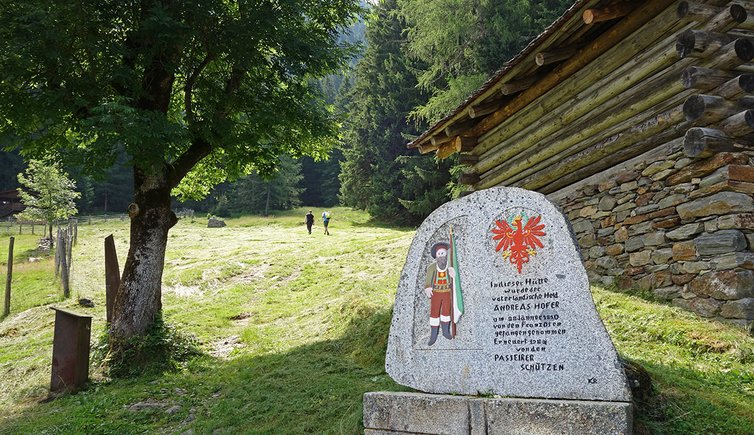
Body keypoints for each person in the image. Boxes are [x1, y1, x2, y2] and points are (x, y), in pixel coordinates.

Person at [423, 241, 455, 346]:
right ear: (436, 256)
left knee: (446, 312)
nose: (442, 256)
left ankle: (446, 331)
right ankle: (433, 334)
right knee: (434, 312)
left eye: (443, 253)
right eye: (439, 254)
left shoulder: (450, 267)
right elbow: (428, 280)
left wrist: (453, 276)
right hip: (436, 293)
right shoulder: (432, 267)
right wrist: (428, 288)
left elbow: (455, 281)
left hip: (447, 292)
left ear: (446, 254)